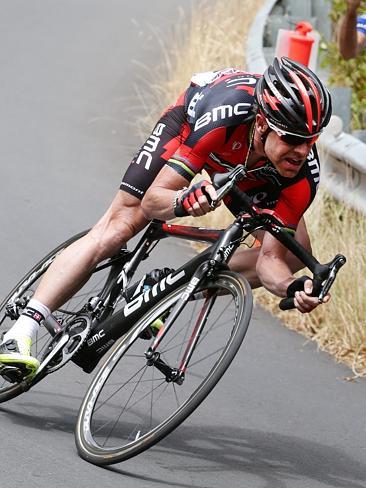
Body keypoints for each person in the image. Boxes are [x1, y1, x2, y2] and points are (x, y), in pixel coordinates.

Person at [0, 57, 332, 378]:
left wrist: (293, 287)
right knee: (120, 227)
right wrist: (185, 200)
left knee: (294, 249)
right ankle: (22, 329)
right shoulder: (224, 118)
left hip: (253, 168)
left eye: (310, 140)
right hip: (192, 126)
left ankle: (165, 289)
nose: (302, 150)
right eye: (292, 138)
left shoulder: (300, 175)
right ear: (262, 123)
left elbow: (271, 261)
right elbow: (153, 202)